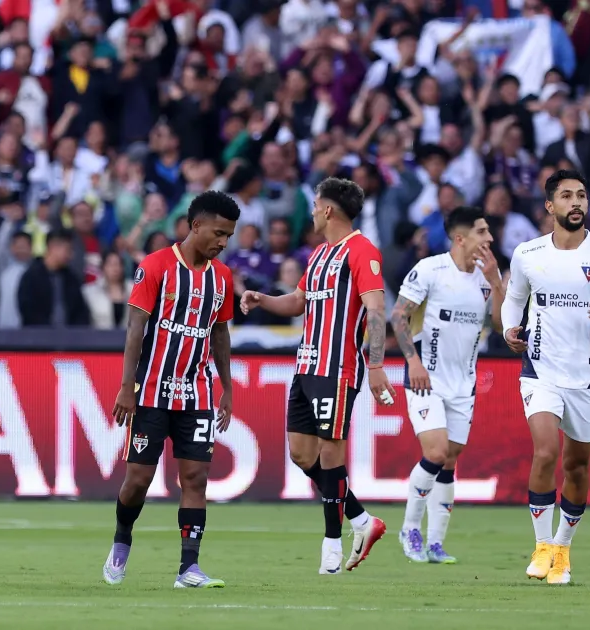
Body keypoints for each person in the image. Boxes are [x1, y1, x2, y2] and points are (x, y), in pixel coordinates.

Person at [238, 177, 395, 574]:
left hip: (338, 369)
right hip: (306, 366)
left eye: (314, 205)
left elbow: (376, 311)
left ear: (327, 209)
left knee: (330, 453)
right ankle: (362, 520)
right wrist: (262, 300)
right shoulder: (320, 255)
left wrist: (375, 366)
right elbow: (298, 302)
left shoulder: (362, 252)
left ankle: (331, 546)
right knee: (302, 454)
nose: (311, 212)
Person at [500, 169, 590, 585]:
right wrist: (510, 329)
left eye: (581, 195)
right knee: (545, 452)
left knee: (576, 467)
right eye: (566, 196)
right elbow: (514, 302)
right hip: (540, 371)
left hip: (587, 378)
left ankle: (563, 550)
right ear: (550, 207)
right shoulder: (528, 253)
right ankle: (542, 545)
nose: (576, 202)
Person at [103, 190, 239, 589]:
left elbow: (220, 333)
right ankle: (122, 539)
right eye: (218, 233)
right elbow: (135, 330)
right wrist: (127, 386)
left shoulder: (222, 278)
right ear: (195, 225)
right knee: (138, 482)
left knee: (195, 478)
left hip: (196, 392)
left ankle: (188, 568)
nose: (223, 242)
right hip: (150, 391)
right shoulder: (156, 266)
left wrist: (226, 388)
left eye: (229, 236)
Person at [390, 206, 506, 564]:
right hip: (426, 378)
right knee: (436, 452)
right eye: (482, 232)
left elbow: (501, 326)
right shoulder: (430, 269)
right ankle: (410, 528)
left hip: (464, 383)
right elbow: (398, 316)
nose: (489, 238)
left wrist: (497, 283)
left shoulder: (489, 276)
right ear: (460, 238)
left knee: (450, 459)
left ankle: (436, 542)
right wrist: (412, 361)